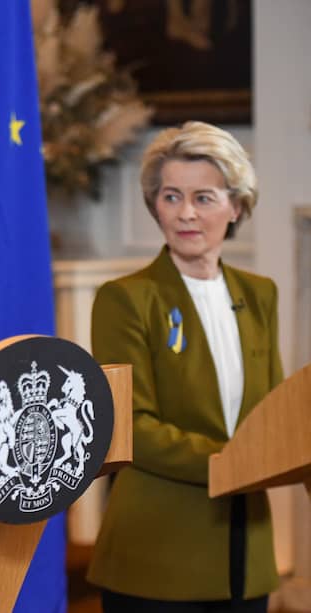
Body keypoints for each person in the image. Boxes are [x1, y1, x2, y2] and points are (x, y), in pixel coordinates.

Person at [86, 121, 281, 612]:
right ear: (155, 206)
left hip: (247, 555)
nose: (186, 214)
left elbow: (275, 416)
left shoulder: (260, 295)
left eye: (204, 197)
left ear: (236, 206)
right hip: (156, 559)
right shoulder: (125, 299)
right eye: (171, 197)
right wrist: (238, 464)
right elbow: (132, 426)